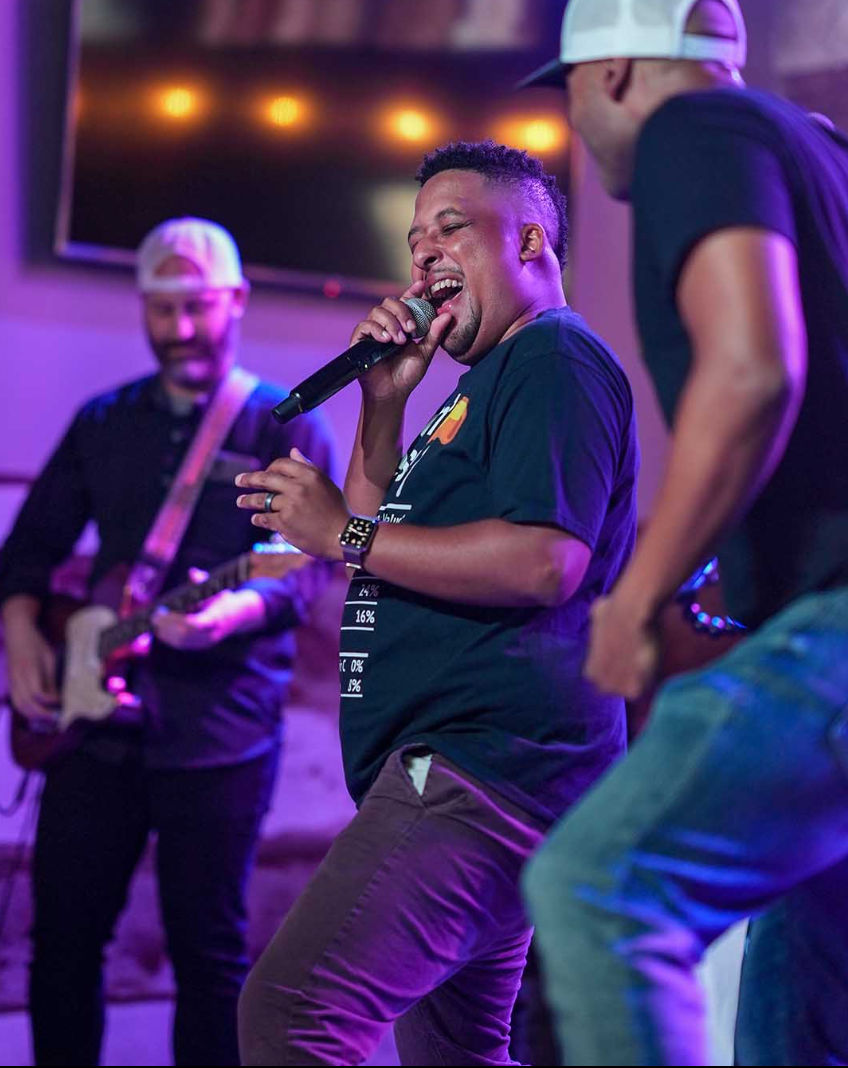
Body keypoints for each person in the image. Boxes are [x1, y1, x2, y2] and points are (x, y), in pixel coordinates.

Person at [233, 139, 639, 1066]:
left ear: (531, 240)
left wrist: (339, 531)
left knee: (293, 1013)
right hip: (479, 774)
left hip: (481, 773)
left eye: (452, 230)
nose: (424, 259)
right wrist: (382, 405)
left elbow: (546, 562)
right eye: (415, 244)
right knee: (456, 1053)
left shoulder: (555, 356)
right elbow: (382, 548)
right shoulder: (475, 389)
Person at [519, 0, 848, 1063]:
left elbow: (753, 368)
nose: (572, 119)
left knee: (600, 883)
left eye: (565, 89)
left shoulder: (692, 130)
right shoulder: (826, 154)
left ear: (611, 70)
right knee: (800, 983)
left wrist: (634, 594)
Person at [0, 217, 335, 1067]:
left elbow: (306, 569)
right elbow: (27, 554)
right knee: (64, 947)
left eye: (196, 307)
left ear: (237, 302)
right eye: (162, 310)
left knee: (210, 959)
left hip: (219, 731)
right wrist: (21, 640)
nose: (180, 329)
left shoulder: (283, 427)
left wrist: (237, 613)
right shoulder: (104, 421)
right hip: (93, 735)